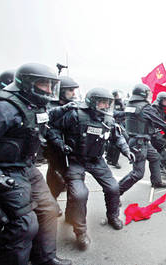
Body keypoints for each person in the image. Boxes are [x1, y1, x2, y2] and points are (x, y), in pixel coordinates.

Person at [0, 63, 71, 265]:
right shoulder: (5, 107)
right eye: (43, 85)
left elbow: (43, 123)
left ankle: (45, 258)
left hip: (27, 167)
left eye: (51, 85)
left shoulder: (34, 104)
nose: (49, 91)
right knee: (24, 224)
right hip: (6, 170)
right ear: (27, 83)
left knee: (49, 209)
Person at [48, 87, 133, 251]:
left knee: (113, 187)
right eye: (101, 102)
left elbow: (117, 136)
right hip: (75, 160)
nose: (105, 106)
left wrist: (126, 151)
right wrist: (60, 144)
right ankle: (80, 232)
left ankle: (113, 216)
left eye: (107, 103)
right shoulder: (75, 115)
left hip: (96, 160)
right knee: (80, 194)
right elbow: (53, 129)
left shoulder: (107, 119)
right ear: (92, 102)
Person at [119, 84, 166, 197]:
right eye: (148, 93)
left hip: (139, 140)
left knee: (155, 157)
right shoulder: (145, 107)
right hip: (139, 142)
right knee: (138, 173)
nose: (149, 96)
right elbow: (161, 124)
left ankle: (156, 181)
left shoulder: (130, 104)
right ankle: (116, 191)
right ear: (143, 94)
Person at [46, 76, 80, 199]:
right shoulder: (49, 104)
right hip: (54, 148)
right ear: (61, 91)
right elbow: (48, 121)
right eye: (70, 90)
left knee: (70, 178)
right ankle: (51, 201)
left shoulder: (74, 105)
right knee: (55, 179)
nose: (73, 93)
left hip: (69, 147)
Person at [106, 90, 126, 169]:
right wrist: (123, 113)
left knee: (114, 142)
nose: (118, 97)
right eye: (117, 95)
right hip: (113, 123)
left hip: (120, 123)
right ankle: (113, 161)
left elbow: (122, 110)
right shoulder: (110, 102)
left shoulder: (120, 102)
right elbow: (113, 112)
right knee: (114, 142)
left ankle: (110, 159)